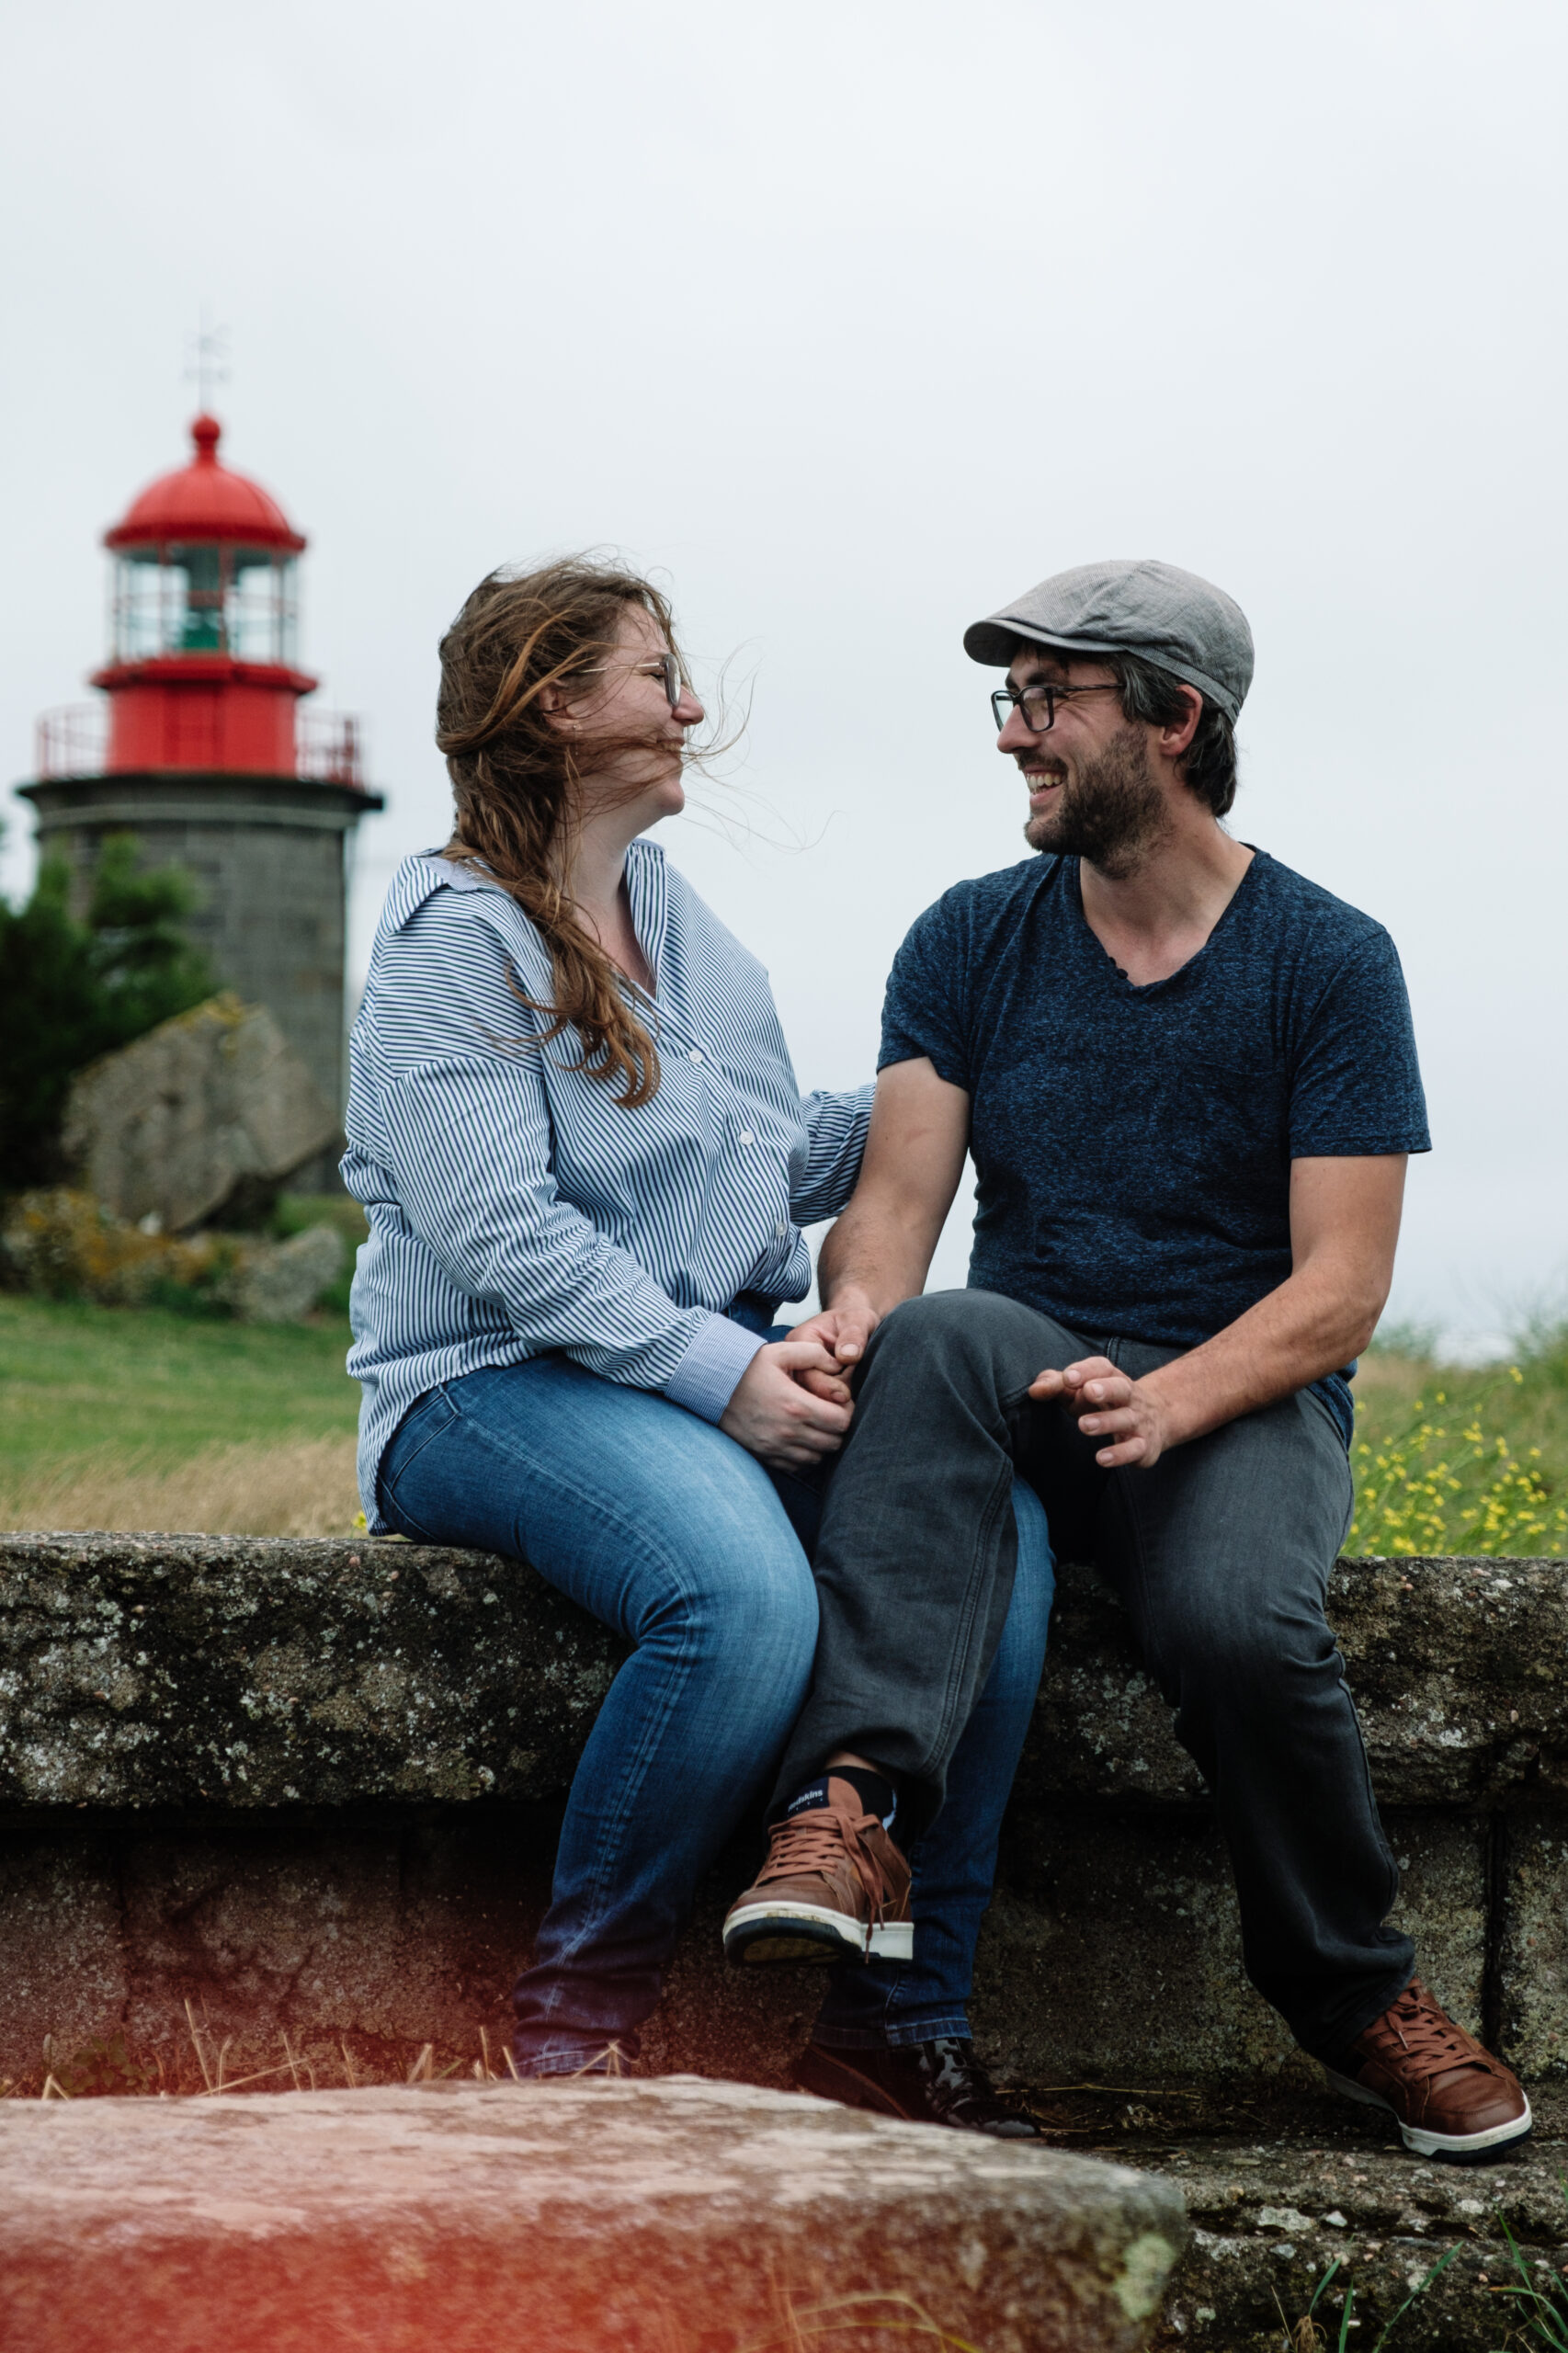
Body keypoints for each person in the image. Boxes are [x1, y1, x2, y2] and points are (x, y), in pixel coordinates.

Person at [723, 559, 1532, 2165]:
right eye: (1006, 699)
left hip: (1235, 1389)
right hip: (1026, 1369)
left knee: (1236, 1626)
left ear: (1173, 718)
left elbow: (1342, 1286)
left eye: (1048, 700)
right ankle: (844, 1822)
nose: (1012, 737)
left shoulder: (1328, 960)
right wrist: (858, 1315)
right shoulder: (966, 939)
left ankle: (1352, 1993)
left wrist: (1170, 1398)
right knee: (941, 1327)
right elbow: (894, 1210)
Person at [341, 558, 1051, 2132]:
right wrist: (723, 1378)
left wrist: (955, 1080)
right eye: (654, 673)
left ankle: (892, 2025)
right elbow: (502, 1241)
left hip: (700, 1367)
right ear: (553, 708)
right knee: (738, 1599)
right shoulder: (450, 943)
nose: (688, 706)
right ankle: (570, 2037)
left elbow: (765, 1156)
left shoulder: (674, 916)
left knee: (988, 1542)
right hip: (487, 1387)